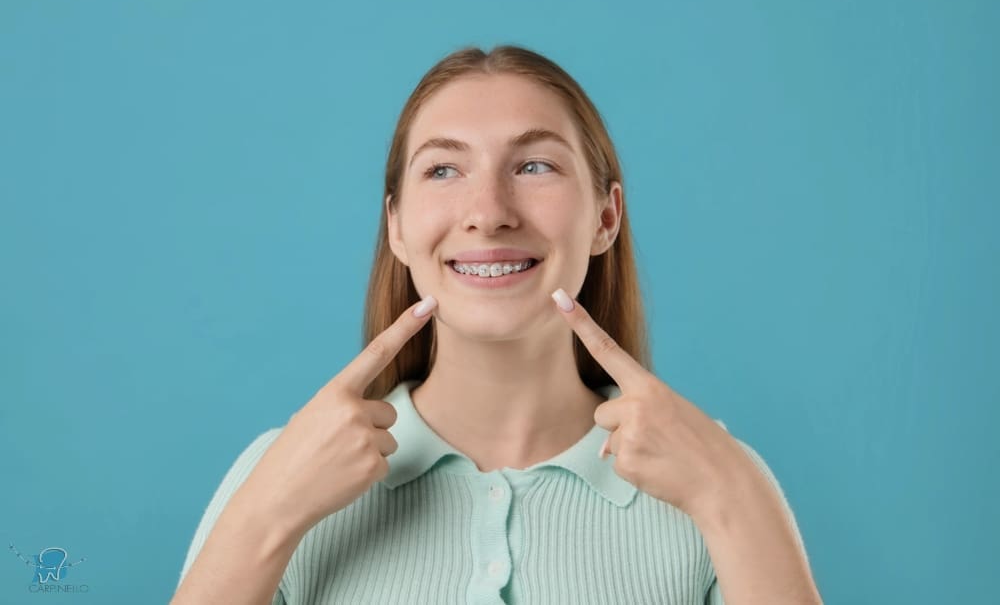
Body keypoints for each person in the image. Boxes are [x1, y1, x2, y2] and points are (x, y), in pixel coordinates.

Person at [171, 45, 823, 604]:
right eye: (443, 169)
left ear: (605, 217)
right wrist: (267, 516)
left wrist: (732, 500)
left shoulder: (718, 478)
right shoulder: (276, 472)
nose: (488, 212)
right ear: (396, 225)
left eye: (534, 165)